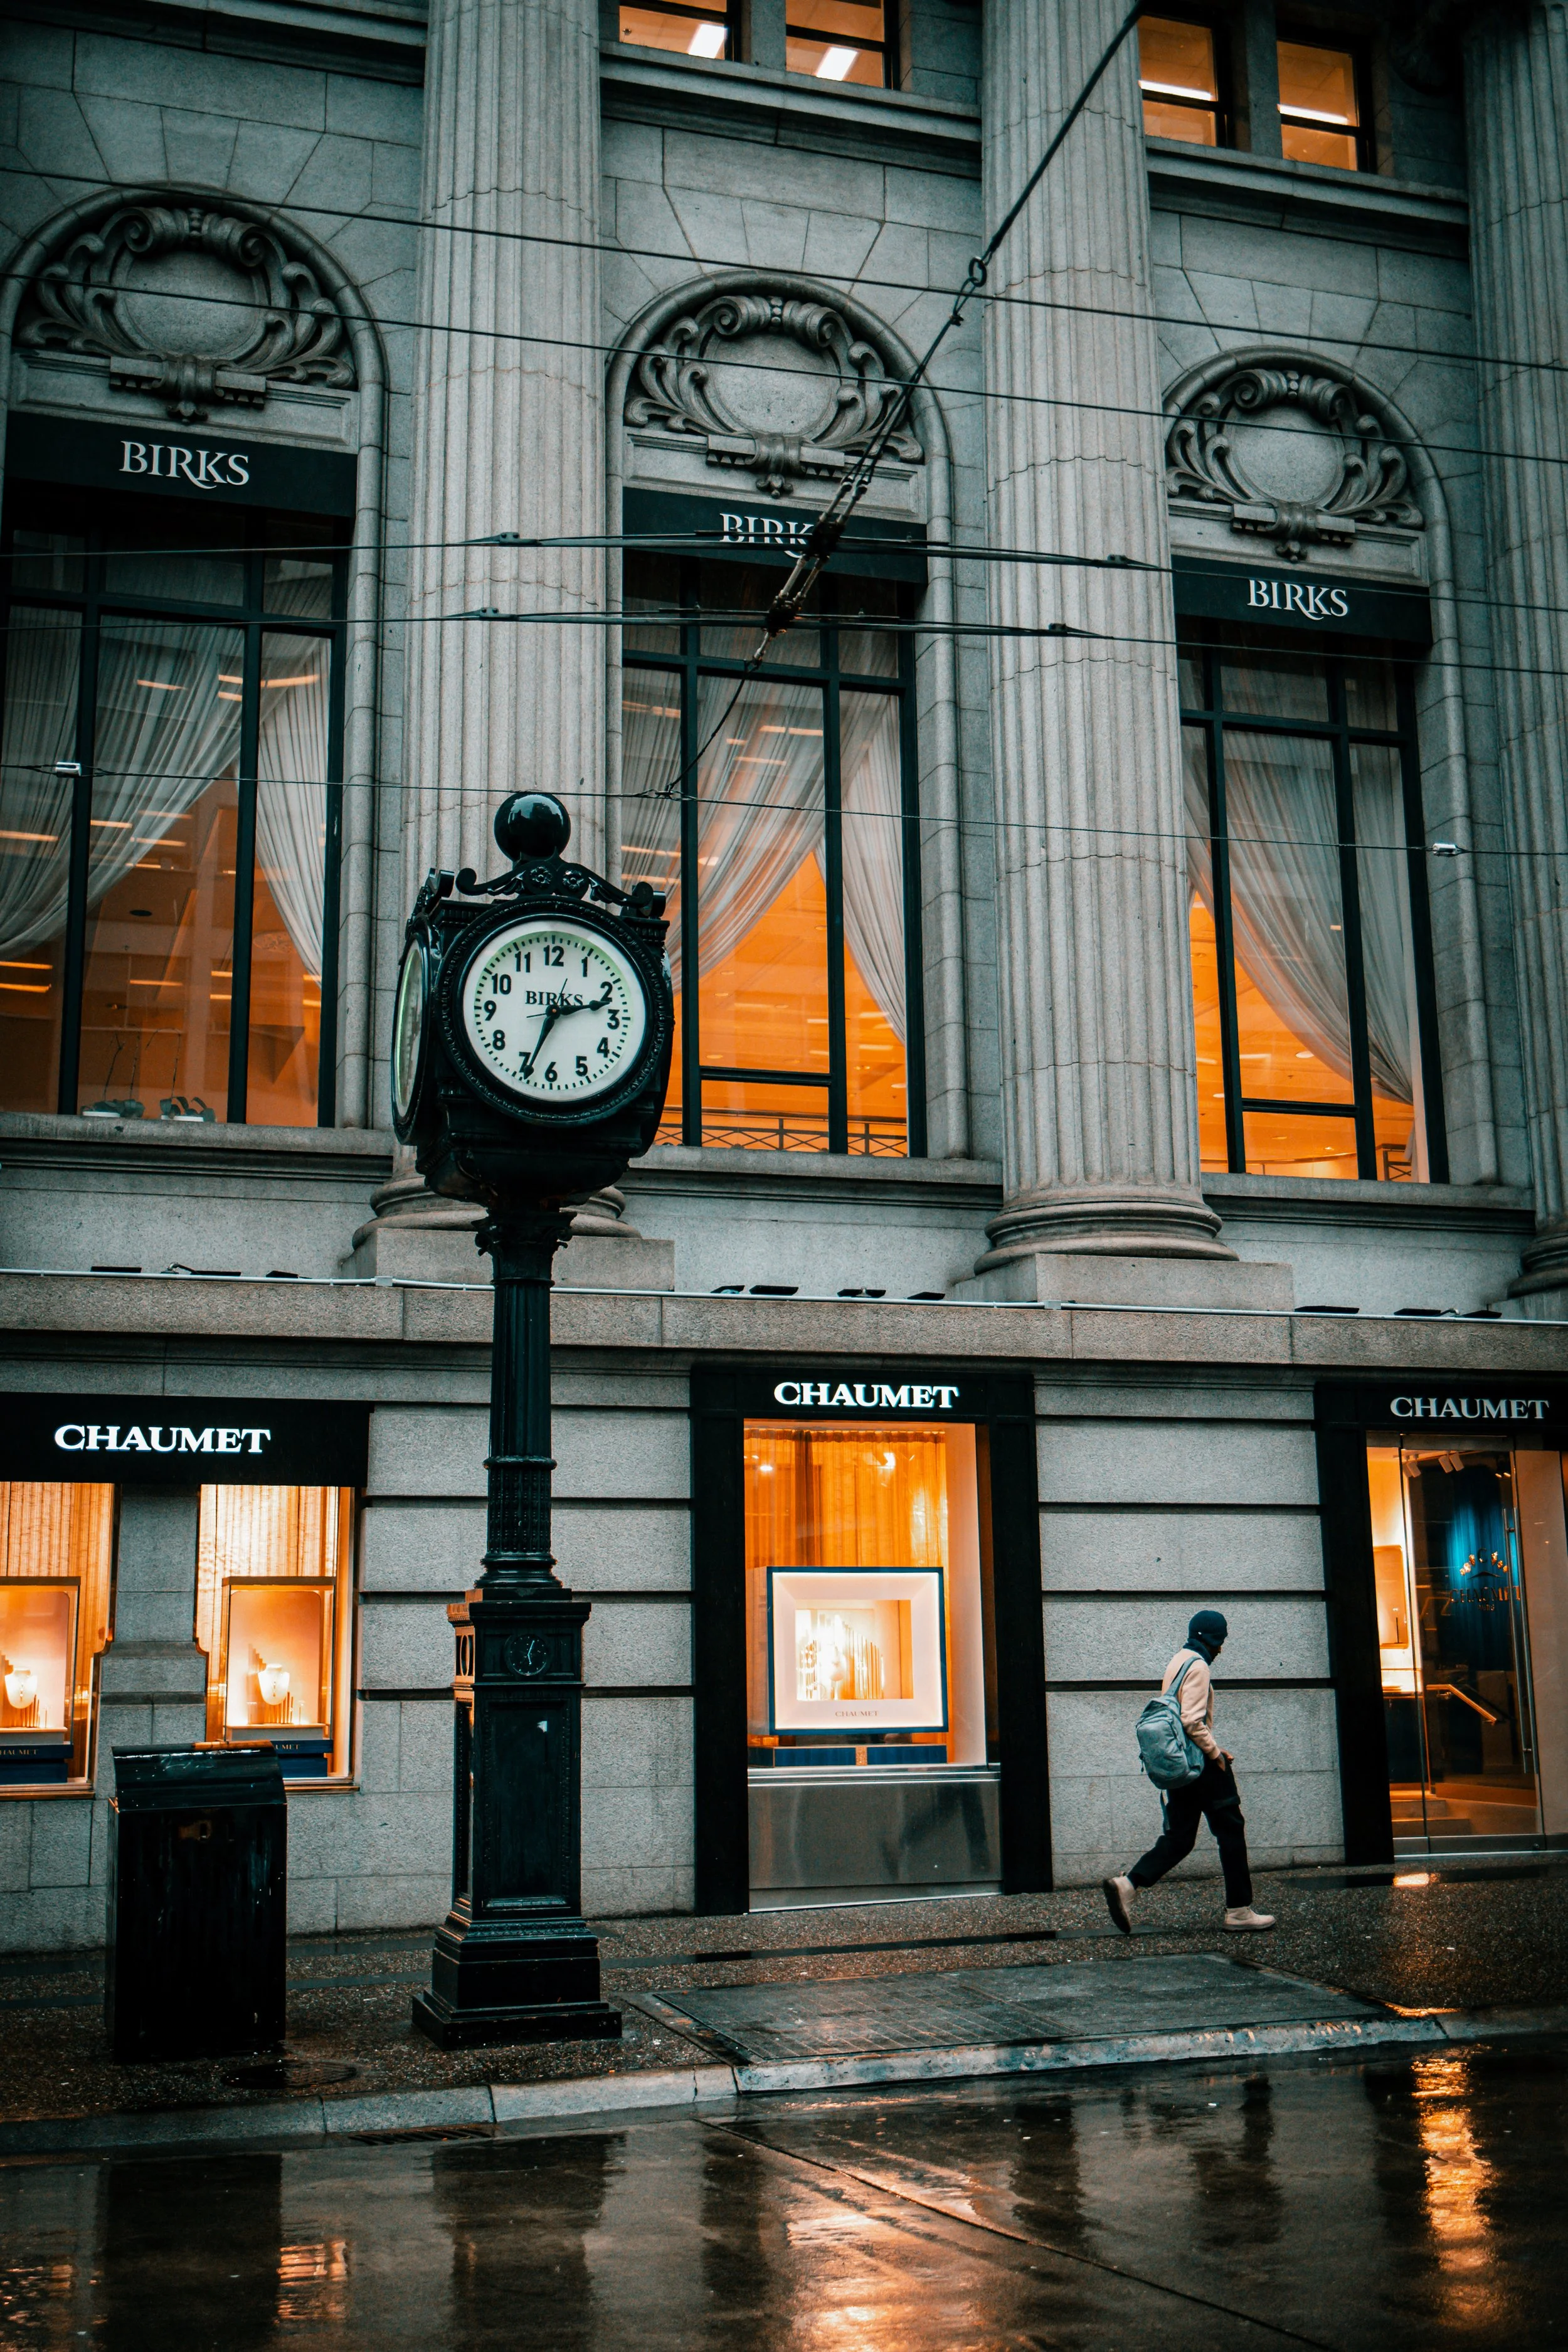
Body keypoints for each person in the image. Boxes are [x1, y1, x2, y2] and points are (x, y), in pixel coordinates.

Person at [1103, 1610, 1275, 1934]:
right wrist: (1215, 1754)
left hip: (1181, 1765)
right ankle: (1239, 1910)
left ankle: (1128, 1885)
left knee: (1180, 1838)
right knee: (1231, 1832)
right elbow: (1192, 1721)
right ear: (1213, 1639)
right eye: (1221, 1640)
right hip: (1202, 1767)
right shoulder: (1198, 1666)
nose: (1222, 1648)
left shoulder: (1179, 1660)